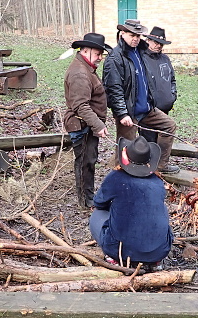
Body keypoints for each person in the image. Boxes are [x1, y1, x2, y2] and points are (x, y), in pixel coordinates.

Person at [102, 19, 179, 174]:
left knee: (169, 126)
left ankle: (160, 166)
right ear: (122, 34)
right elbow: (113, 89)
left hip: (147, 109)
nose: (136, 38)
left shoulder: (140, 52)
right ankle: (116, 182)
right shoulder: (115, 57)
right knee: (125, 151)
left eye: (138, 35)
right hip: (129, 112)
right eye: (132, 35)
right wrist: (123, 113)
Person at [89, 136, 174, 272]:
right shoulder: (158, 182)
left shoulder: (115, 178)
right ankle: (155, 261)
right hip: (160, 251)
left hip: (121, 251)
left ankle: (113, 258)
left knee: (96, 216)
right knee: (160, 209)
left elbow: (99, 203)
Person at [63, 32, 111, 208]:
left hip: (87, 125)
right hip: (81, 125)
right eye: (97, 53)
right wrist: (98, 124)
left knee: (89, 161)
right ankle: (85, 201)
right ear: (85, 50)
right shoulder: (80, 74)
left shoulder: (86, 68)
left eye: (101, 54)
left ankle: (88, 196)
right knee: (85, 163)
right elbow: (80, 106)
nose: (100, 57)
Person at [143, 26, 177, 115]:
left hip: (165, 110)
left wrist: (172, 97)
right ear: (148, 40)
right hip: (148, 112)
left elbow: (172, 80)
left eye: (161, 44)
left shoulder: (165, 59)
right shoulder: (141, 59)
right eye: (156, 42)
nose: (158, 46)